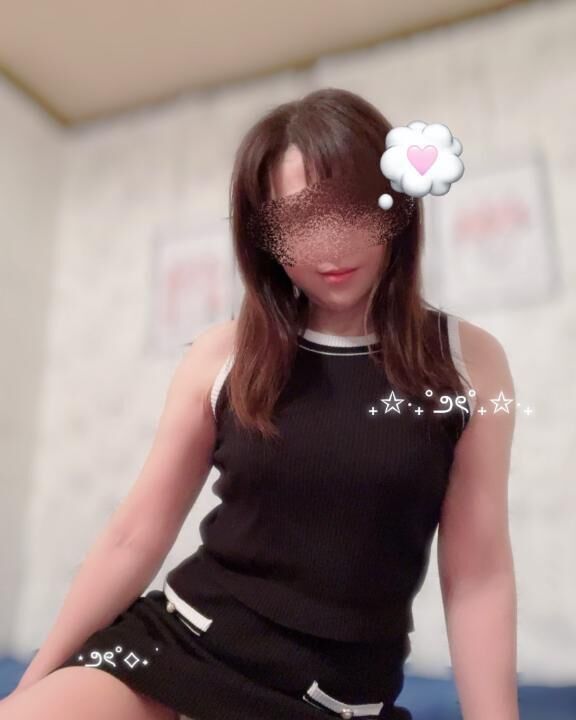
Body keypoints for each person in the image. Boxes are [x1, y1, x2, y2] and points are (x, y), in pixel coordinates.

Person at [0, 87, 519, 720]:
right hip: (180, 647)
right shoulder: (222, 355)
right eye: (294, 221)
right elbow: (133, 536)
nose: (328, 245)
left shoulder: (468, 362)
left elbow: (478, 573)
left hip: (334, 699)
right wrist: (33, 682)